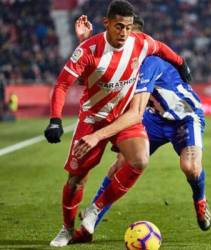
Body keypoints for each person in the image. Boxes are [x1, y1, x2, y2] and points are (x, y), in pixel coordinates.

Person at [43, 1, 190, 247]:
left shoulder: (139, 42)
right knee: (76, 180)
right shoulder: (88, 50)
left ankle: (94, 210)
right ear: (107, 23)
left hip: (123, 119)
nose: (124, 33)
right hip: (92, 120)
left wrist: (181, 62)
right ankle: (67, 229)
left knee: (140, 159)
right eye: (119, 26)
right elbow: (62, 84)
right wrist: (55, 120)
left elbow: (162, 48)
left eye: (128, 27)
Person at [71, 14, 211, 244]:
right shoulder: (122, 59)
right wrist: (84, 43)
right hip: (154, 117)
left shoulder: (149, 62)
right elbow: (89, 77)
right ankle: (91, 219)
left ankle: (200, 199)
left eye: (130, 35)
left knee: (191, 168)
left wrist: (98, 136)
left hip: (184, 117)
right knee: (121, 163)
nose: (124, 40)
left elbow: (135, 110)